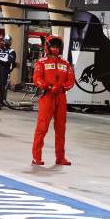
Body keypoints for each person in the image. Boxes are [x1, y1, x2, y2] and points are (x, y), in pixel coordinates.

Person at [32, 35, 75, 166]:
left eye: (58, 46)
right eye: (53, 46)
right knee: (42, 127)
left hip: (61, 97)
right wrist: (48, 86)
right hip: (47, 96)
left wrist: (62, 87)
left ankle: (60, 157)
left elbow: (71, 81)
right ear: (48, 47)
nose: (56, 48)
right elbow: (37, 78)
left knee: (61, 129)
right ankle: (36, 157)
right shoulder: (41, 63)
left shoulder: (66, 64)